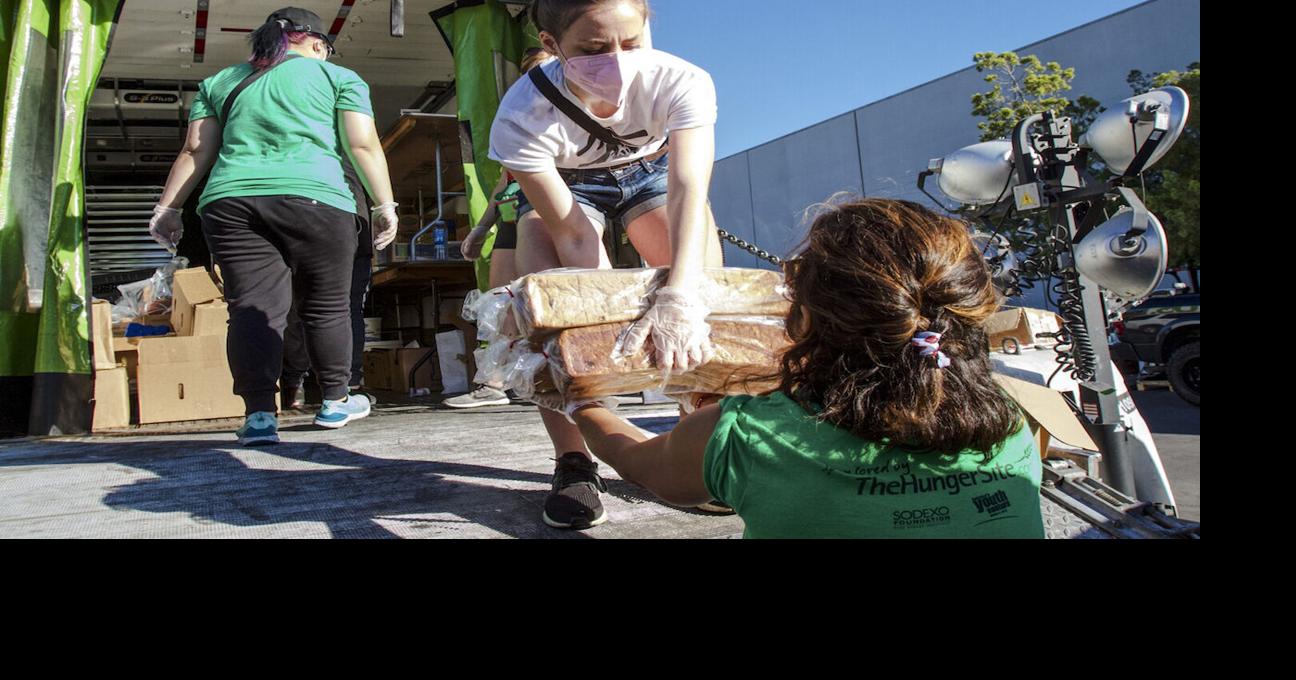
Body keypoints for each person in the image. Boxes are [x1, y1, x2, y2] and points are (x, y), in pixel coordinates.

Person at [565, 198, 1047, 539]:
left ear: (807, 314)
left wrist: (580, 401)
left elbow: (638, 463)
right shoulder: (1010, 422)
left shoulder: (750, 434)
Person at [488, 0, 726, 529]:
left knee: (701, 283)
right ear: (551, 45)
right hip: (568, 186)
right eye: (594, 50)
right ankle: (574, 459)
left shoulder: (683, 81)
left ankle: (697, 437)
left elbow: (689, 188)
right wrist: (599, 322)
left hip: (650, 169)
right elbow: (572, 232)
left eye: (631, 43)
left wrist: (681, 295)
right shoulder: (521, 116)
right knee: (552, 306)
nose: (617, 62)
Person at [148, 7, 399, 446]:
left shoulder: (220, 81)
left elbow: (194, 151)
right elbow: (361, 144)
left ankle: (260, 416)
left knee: (251, 309)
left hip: (231, 203)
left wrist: (167, 210)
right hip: (318, 198)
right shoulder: (338, 79)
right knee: (327, 306)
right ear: (318, 44)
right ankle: (335, 401)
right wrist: (385, 205)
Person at [447, 48, 556, 410]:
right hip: (513, 210)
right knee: (500, 302)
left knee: (548, 302)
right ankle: (495, 382)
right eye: (531, 72)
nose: (539, 79)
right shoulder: (519, 116)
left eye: (546, 69)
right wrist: (481, 227)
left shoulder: (573, 112)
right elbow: (503, 180)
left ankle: (562, 377)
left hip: (557, 213)